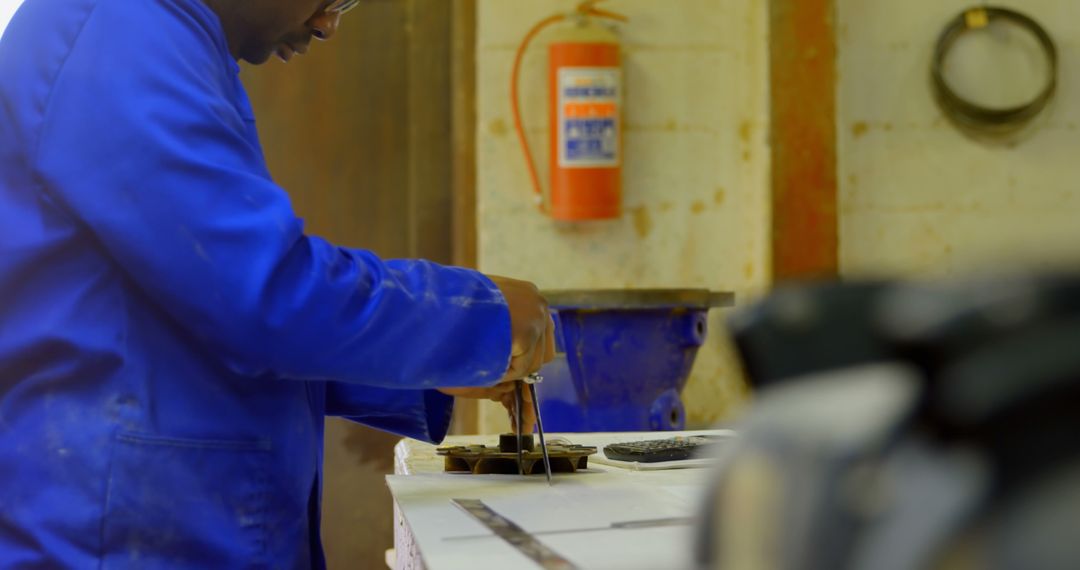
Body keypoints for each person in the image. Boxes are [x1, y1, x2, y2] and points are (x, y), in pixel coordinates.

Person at [0, 0, 553, 566]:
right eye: (334, 0)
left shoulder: (164, 38)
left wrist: (432, 372)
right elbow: (262, 300)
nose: (328, 24)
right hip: (115, 546)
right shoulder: (118, 28)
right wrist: (474, 316)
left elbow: (192, 320)